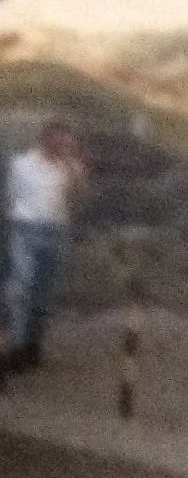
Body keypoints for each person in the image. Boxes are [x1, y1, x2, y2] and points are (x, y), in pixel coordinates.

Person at [5, 118, 84, 371]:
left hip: (57, 231)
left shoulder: (71, 169)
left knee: (43, 293)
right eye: (61, 139)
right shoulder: (21, 164)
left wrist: (73, 171)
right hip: (25, 230)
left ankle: (32, 343)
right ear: (47, 138)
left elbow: (80, 203)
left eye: (69, 141)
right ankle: (15, 347)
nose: (65, 145)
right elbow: (10, 196)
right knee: (20, 290)